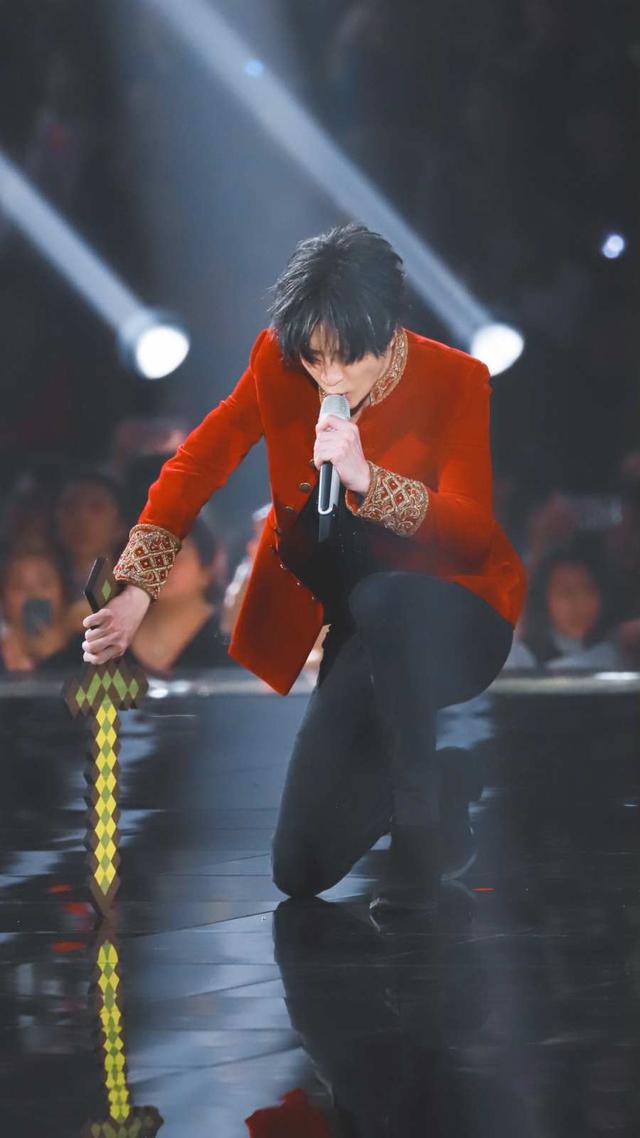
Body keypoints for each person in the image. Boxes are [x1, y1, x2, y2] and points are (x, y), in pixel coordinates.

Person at [80, 222, 527, 913]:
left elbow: (472, 535)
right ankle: (445, 782)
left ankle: (418, 839)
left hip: (457, 617)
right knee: (299, 869)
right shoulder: (279, 362)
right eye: (315, 357)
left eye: (347, 357)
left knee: (384, 598)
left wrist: (367, 479)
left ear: (389, 330)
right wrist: (138, 586)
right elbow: (197, 464)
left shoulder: (455, 380)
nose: (330, 376)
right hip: (364, 634)